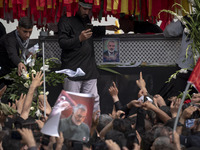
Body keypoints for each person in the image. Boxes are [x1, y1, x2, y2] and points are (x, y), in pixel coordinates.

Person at [58, 0, 118, 113]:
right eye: (84, 8)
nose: (87, 11)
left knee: (93, 101)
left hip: (89, 68)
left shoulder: (85, 19)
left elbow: (91, 31)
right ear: (77, 6)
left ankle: (95, 127)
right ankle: (72, 129)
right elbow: (62, 43)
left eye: (89, 9)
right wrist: (79, 39)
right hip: (72, 69)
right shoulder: (65, 20)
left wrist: (106, 28)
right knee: (72, 103)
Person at [159, 15, 198, 100]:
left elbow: (169, 31)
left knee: (177, 100)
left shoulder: (190, 19)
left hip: (186, 67)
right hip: (190, 69)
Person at [0, 16, 33, 86]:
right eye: (25, 31)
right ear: (17, 28)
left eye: (30, 32)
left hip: (12, 72)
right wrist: (19, 63)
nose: (28, 35)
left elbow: (23, 51)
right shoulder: (10, 39)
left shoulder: (23, 39)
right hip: (3, 73)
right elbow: (12, 53)